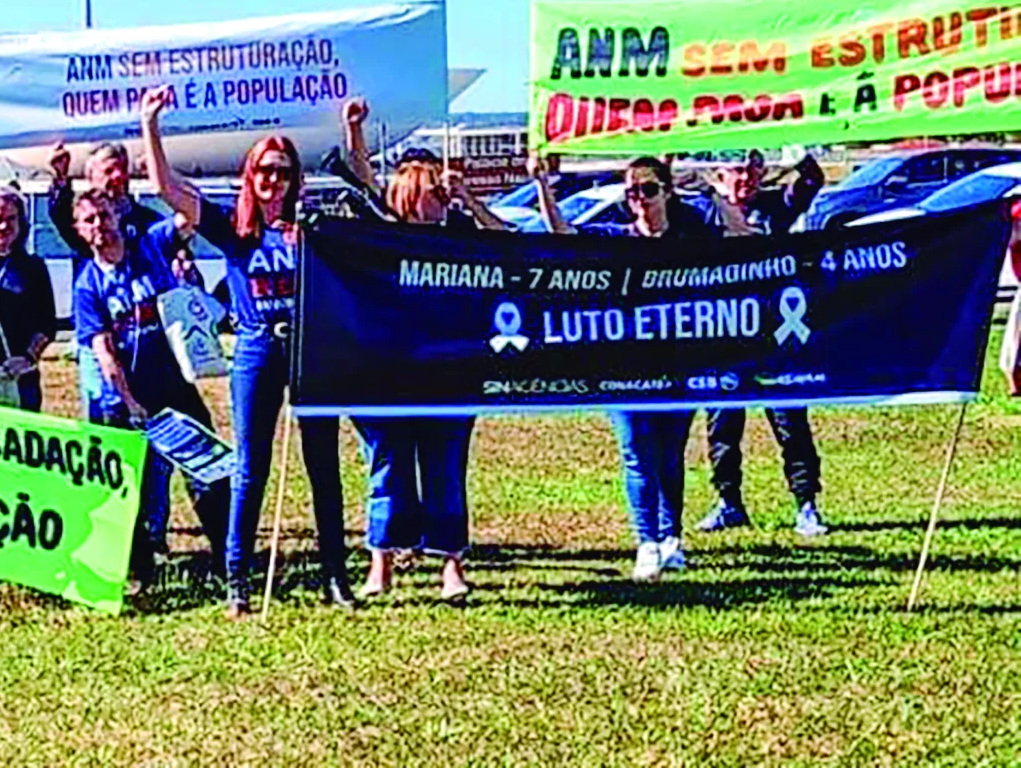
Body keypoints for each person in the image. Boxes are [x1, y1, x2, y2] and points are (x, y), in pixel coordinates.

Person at [142, 88, 352, 616]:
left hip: (308, 351)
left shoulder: (310, 230)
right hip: (258, 348)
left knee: (322, 463)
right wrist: (151, 124)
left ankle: (335, 575)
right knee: (250, 466)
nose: (272, 181)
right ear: (250, 176)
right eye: (264, 171)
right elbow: (167, 188)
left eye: (282, 172)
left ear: (295, 179)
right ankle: (237, 579)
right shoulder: (235, 229)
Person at [344, 101, 509, 604]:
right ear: (408, 197)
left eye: (440, 193)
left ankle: (451, 566)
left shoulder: (458, 233)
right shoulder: (383, 235)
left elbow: (506, 242)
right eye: (430, 193)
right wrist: (355, 130)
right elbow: (361, 180)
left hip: (451, 372)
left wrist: (469, 199)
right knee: (387, 466)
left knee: (445, 468)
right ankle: (381, 563)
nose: (438, 201)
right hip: (389, 373)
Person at [531, 154, 705, 581]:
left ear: (667, 192)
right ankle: (647, 541)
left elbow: (745, 243)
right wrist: (542, 186)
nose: (640, 198)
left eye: (649, 189)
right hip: (623, 369)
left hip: (678, 366)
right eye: (632, 192)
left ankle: (671, 537)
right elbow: (564, 235)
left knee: (670, 456)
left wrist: (715, 193)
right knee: (637, 453)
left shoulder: (691, 237)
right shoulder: (615, 239)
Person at [69, 178, 231, 587]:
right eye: (90, 220)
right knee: (128, 488)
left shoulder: (150, 247)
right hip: (126, 401)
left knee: (207, 473)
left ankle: (227, 559)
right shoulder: (87, 285)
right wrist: (129, 402)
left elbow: (188, 216)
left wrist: (168, 178)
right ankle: (140, 570)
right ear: (79, 230)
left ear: (117, 215)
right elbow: (104, 350)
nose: (100, 226)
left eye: (105, 215)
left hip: (174, 387)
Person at [698, 149, 830, 538]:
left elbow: (812, 181)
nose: (745, 178)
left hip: (773, 335)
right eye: (736, 170)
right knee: (723, 425)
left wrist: (793, 147)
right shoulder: (705, 215)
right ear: (720, 174)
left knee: (790, 421)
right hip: (724, 336)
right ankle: (728, 502)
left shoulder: (775, 207)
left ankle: (806, 504)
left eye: (752, 169)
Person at [0, 188, 55, 412]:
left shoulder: (33, 267)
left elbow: (46, 325)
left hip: (20, 374)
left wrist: (27, 358)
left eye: (11, 219)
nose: (4, 226)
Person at [49, 139, 163, 257]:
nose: (118, 176)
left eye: (123, 170)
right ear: (91, 177)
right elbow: (61, 213)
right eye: (108, 171)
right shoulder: (87, 223)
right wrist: (60, 176)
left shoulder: (148, 221)